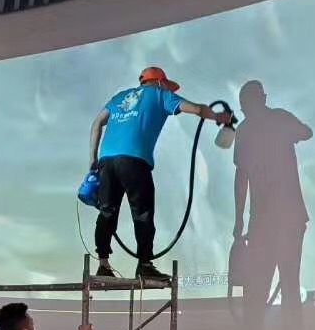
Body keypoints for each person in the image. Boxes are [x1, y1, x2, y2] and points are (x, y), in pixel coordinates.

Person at [89, 66, 233, 284]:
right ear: (158, 82)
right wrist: (219, 116)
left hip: (106, 160)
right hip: (134, 160)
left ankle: (103, 265)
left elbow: (97, 122)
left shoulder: (119, 98)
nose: (168, 88)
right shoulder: (160, 94)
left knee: (107, 211)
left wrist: (93, 160)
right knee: (143, 212)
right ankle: (145, 265)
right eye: (166, 84)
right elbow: (195, 108)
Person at [231, 79, 312, 317]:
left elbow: (240, 179)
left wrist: (239, 222)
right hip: (285, 219)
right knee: (288, 287)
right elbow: (306, 132)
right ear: (262, 99)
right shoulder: (277, 119)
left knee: (259, 291)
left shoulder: (246, 130)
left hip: (269, 221)